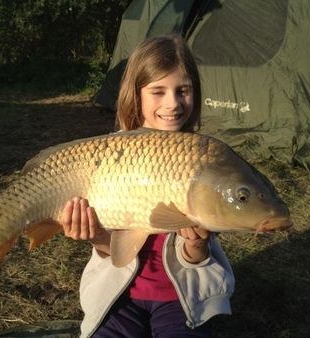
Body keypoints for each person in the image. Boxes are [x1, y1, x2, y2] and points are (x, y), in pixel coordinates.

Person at [62, 35, 234, 338]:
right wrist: (96, 235)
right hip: (118, 294)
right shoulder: (110, 154)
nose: (173, 103)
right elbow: (111, 251)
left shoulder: (201, 158)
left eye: (183, 90)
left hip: (180, 296)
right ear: (136, 95)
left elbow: (197, 257)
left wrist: (196, 244)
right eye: (158, 91)